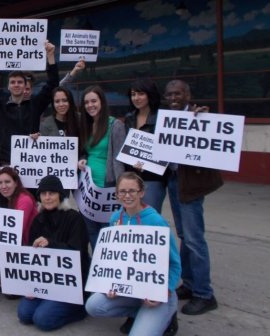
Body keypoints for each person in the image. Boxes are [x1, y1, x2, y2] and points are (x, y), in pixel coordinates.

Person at [85, 172, 180, 336]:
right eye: (122, 191)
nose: (127, 195)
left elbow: (174, 264)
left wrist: (165, 290)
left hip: (157, 293)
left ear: (141, 193)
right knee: (93, 306)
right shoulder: (115, 218)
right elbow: (114, 259)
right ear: (116, 194)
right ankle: (138, 313)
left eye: (132, 191)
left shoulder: (156, 221)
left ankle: (168, 316)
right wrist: (110, 284)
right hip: (131, 289)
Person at [164, 79, 221, 315]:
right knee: (183, 236)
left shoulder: (200, 117)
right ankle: (189, 285)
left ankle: (204, 294)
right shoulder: (167, 118)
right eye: (169, 95)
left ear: (188, 95)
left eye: (178, 94)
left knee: (195, 240)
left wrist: (205, 120)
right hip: (174, 182)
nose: (174, 98)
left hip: (191, 186)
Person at [17, 175, 90, 331]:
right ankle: (48, 302)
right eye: (43, 194)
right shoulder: (38, 220)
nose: (47, 197)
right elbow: (31, 257)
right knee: (24, 314)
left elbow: (77, 253)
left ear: (60, 195)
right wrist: (30, 286)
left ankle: (80, 308)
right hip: (46, 280)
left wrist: (51, 244)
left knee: (42, 320)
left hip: (70, 284)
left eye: (52, 193)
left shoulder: (74, 218)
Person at [0, 40, 58, 165]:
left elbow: (52, 85)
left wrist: (50, 56)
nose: (16, 85)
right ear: (8, 86)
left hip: (30, 160)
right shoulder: (1, 106)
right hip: (5, 161)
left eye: (19, 82)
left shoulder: (36, 104)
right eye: (13, 82)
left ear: (25, 86)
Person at [77, 85, 126, 249]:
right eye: (86, 102)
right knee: (91, 229)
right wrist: (83, 158)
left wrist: (120, 188)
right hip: (87, 187)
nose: (90, 105)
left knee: (107, 230)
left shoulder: (115, 125)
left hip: (108, 186)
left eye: (93, 101)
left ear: (102, 102)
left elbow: (119, 158)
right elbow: (85, 150)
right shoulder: (86, 124)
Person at [0, 167, 39, 288]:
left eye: (7, 182)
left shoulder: (24, 199)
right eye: (0, 183)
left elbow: (15, 230)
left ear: (16, 183)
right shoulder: (11, 199)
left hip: (29, 247)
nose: (3, 186)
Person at [123, 78, 167, 213]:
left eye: (141, 94)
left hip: (152, 179)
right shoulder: (129, 117)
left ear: (150, 94)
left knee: (148, 218)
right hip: (131, 177)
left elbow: (166, 151)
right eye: (133, 94)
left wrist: (146, 165)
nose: (136, 98)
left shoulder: (162, 118)